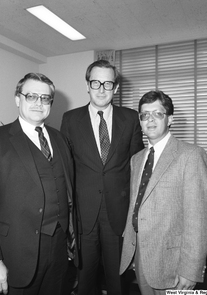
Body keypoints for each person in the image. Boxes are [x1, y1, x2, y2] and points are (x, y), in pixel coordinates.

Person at [0, 73, 77, 295]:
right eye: (31, 96)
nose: (39, 103)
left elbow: (68, 194)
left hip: (59, 252)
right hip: (16, 255)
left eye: (45, 98)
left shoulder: (60, 139)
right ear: (18, 99)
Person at [60, 59, 144, 294]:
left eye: (107, 84)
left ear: (115, 88)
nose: (101, 89)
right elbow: (65, 169)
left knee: (118, 279)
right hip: (83, 215)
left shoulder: (130, 118)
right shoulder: (70, 119)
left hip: (118, 215)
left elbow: (137, 166)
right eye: (95, 82)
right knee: (85, 280)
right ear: (87, 85)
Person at [120, 90, 207, 294]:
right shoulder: (137, 159)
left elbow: (199, 219)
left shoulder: (190, 155)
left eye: (157, 114)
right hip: (142, 256)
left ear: (170, 119)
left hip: (174, 262)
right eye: (145, 115)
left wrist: (191, 269)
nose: (150, 119)